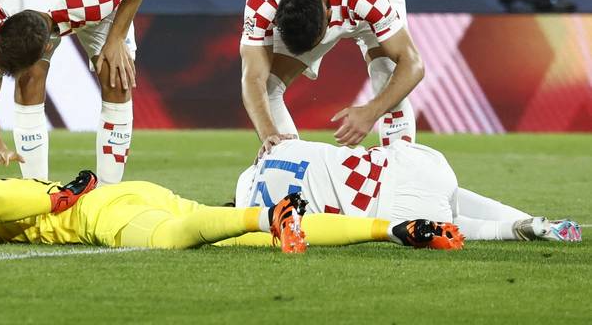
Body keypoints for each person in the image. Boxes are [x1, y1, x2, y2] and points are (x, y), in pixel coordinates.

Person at [0, 168, 462, 252]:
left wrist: (56, 199)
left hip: (98, 216)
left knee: (168, 243)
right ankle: (394, 228)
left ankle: (267, 214)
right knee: (236, 242)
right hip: (131, 192)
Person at [0, 0, 153, 186]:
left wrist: (117, 38)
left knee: (116, 75)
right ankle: (36, 192)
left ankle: (107, 193)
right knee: (28, 80)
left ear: (47, 47)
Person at [240, 0, 423, 157]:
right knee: (269, 86)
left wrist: (371, 112)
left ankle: (400, 172)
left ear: (329, 16)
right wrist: (268, 132)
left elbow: (413, 64)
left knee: (387, 72)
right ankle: (287, 165)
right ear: (277, 20)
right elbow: (252, 78)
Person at [235, 138, 581, 243]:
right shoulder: (274, 151)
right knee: (456, 197)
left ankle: (523, 229)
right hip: (412, 160)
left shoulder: (268, 220)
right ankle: (534, 222)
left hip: (393, 207)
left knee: (461, 224)